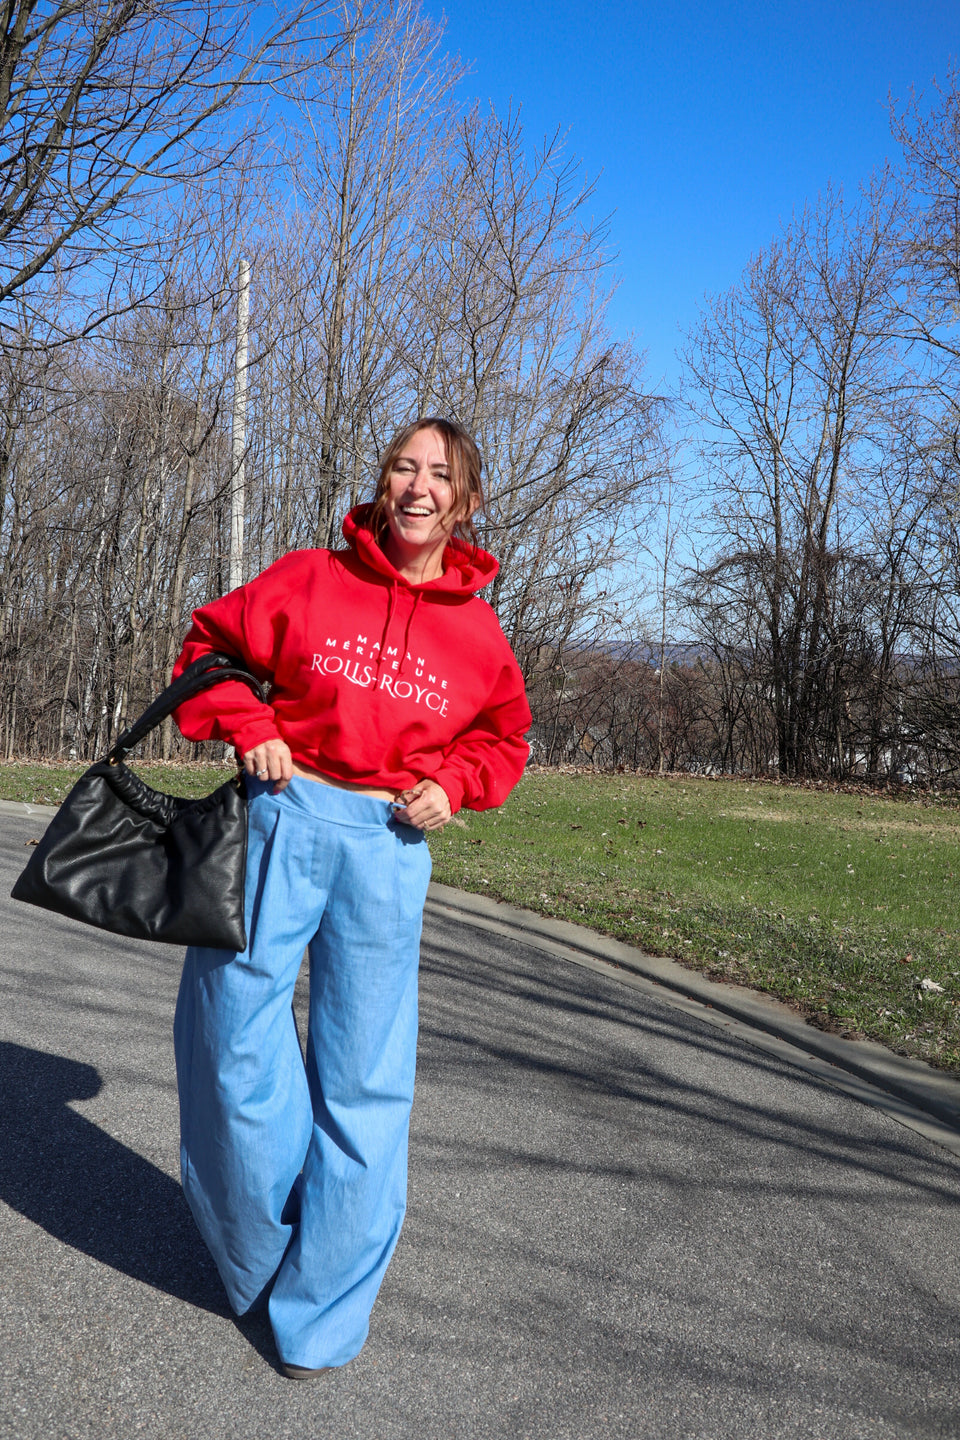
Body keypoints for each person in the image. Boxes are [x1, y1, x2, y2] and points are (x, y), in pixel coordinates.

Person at [170, 417, 531, 1379]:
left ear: (465, 498)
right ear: (382, 483)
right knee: (229, 1036)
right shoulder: (309, 578)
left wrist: (453, 785)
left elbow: (504, 739)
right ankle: (258, 1256)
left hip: (388, 844)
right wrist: (249, 725)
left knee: (364, 1082)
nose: (418, 486)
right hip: (283, 815)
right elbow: (206, 648)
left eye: (440, 473)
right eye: (403, 467)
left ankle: (319, 1318)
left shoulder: (479, 632)